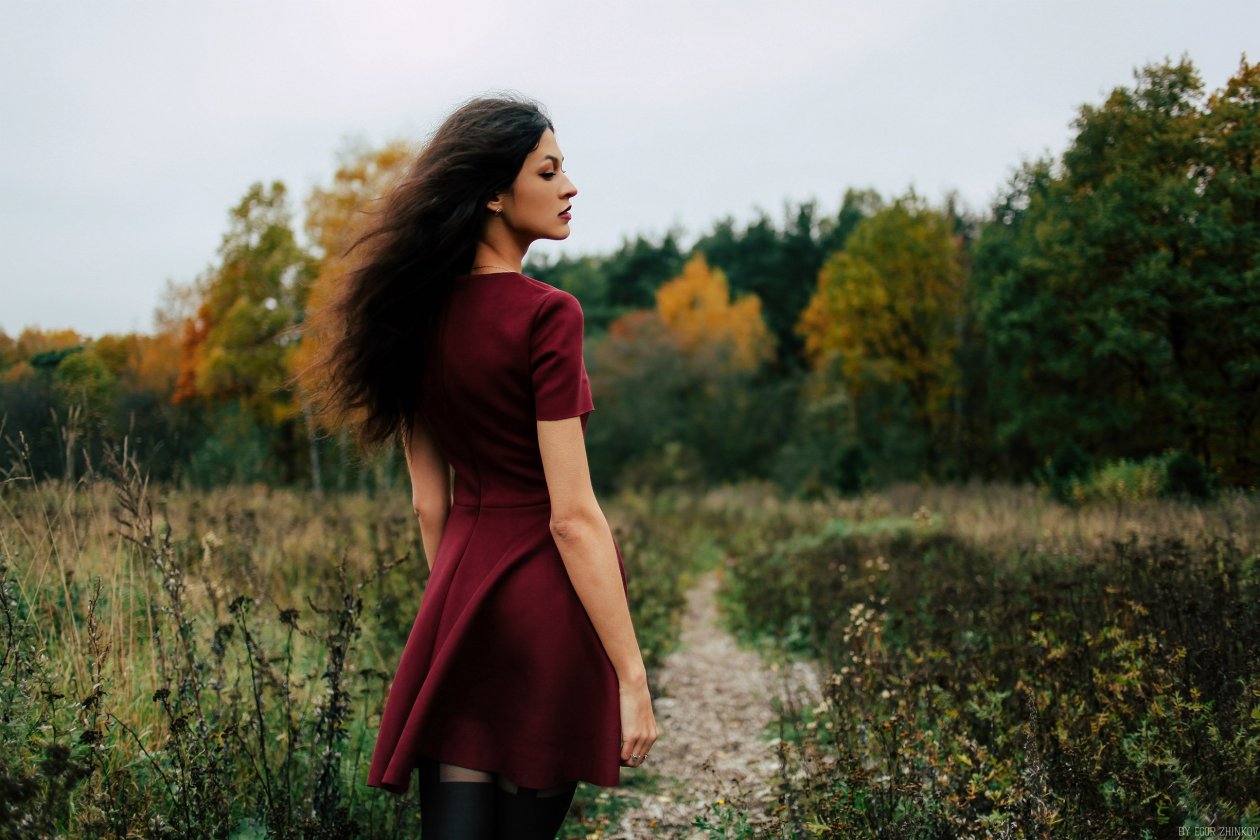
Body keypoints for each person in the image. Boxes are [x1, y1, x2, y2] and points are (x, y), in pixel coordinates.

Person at [302, 94, 658, 838]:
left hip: (462, 598)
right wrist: (632, 676)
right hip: (546, 608)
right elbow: (571, 515)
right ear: (496, 192)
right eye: (549, 170)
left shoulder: (408, 316)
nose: (570, 187)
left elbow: (430, 505)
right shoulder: (547, 314)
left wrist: (457, 603)